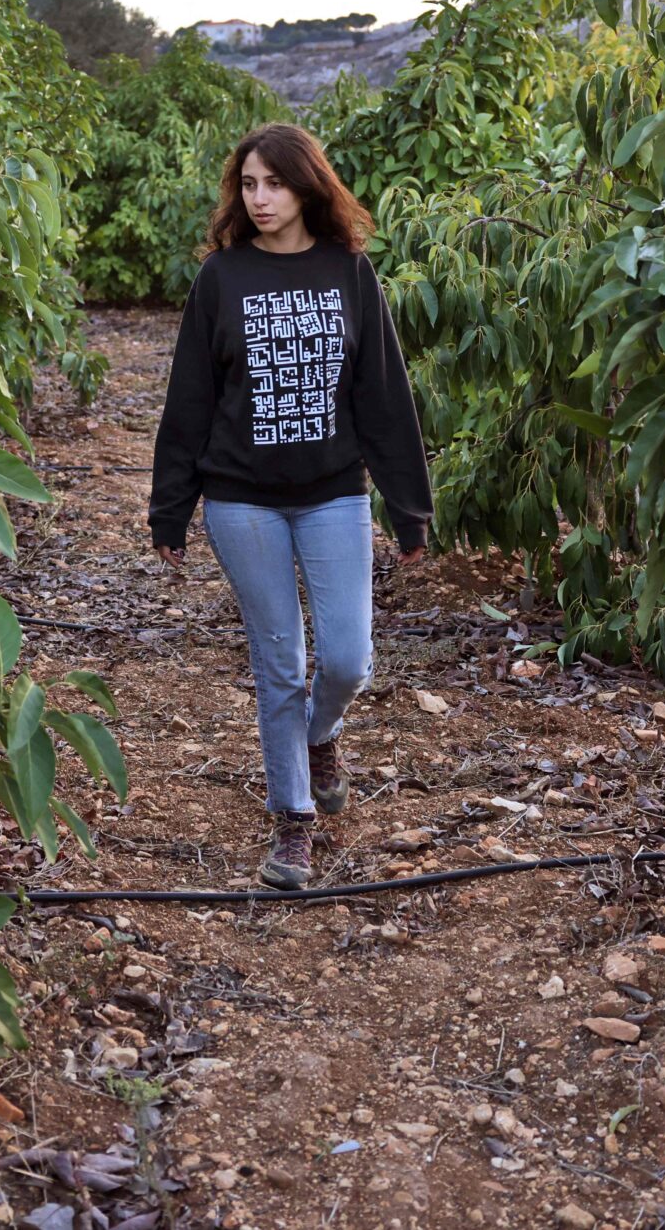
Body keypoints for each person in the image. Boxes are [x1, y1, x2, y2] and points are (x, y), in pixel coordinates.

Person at [148, 123, 434, 890]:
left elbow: (382, 397)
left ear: (307, 186)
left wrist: (410, 509)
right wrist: (168, 511)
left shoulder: (349, 272)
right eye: (248, 184)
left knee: (346, 659)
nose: (260, 197)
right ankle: (293, 823)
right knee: (280, 663)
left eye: (274, 182)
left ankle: (321, 736)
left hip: (333, 493)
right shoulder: (222, 278)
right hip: (240, 501)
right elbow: (189, 402)